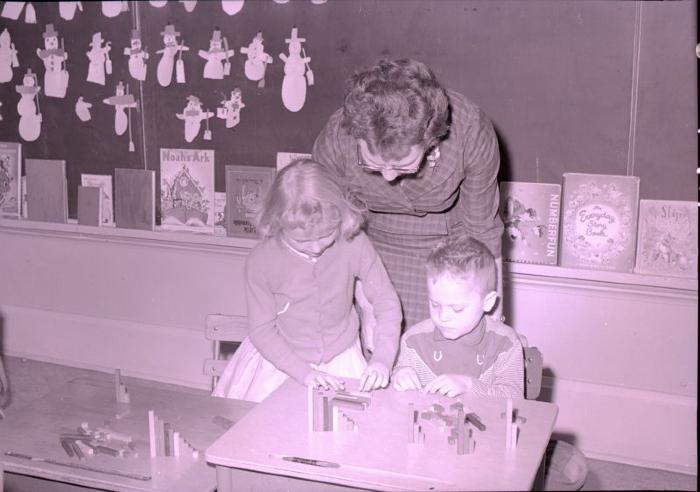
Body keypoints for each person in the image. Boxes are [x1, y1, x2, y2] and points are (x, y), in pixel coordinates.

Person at [312, 58, 504, 330]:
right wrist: (364, 302)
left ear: (430, 140)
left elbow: (483, 233)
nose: (389, 176)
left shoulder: (469, 130)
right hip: (363, 240)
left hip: (447, 248)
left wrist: (493, 320)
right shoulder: (337, 138)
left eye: (402, 165)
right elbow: (333, 230)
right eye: (374, 165)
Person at [213, 159, 402, 402]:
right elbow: (262, 331)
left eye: (326, 235)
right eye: (302, 241)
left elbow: (386, 301)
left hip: (342, 358)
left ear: (341, 216)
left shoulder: (354, 242)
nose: (315, 247)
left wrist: (382, 360)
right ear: (277, 224)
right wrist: (305, 374)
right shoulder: (261, 261)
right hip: (281, 363)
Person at [391, 234, 523, 398]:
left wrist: (468, 385)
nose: (443, 316)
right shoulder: (413, 341)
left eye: (457, 308)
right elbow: (395, 386)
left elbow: (515, 399)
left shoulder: (506, 343)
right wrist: (399, 375)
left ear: (487, 302)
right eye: (435, 304)